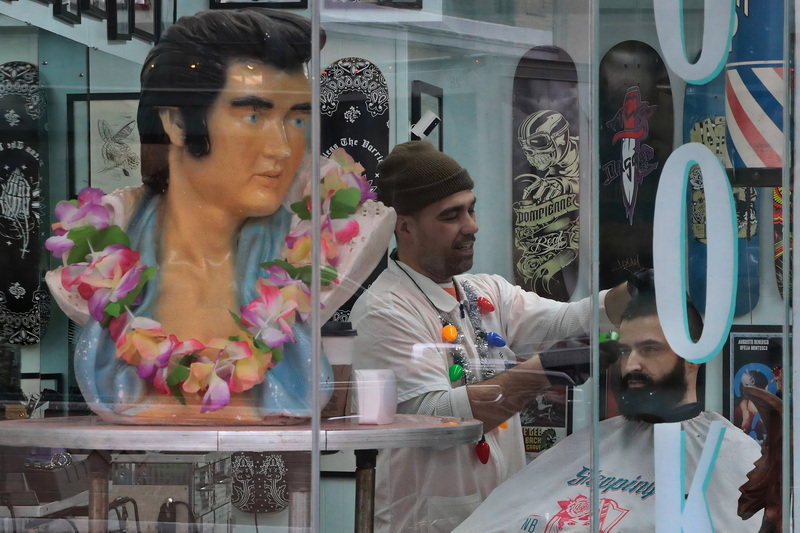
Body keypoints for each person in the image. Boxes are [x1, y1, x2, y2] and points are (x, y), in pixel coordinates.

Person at [45, 9, 394, 424]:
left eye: (297, 119)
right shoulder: (96, 256)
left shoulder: (327, 245)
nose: (283, 148)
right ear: (176, 123)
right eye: (253, 116)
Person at [350, 141, 630, 531]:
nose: (472, 226)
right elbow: (435, 416)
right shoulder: (386, 308)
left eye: (471, 208)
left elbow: (565, 321)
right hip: (428, 521)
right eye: (451, 216)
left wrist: (629, 295)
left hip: (499, 516)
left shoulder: (485, 291)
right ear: (406, 226)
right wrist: (543, 371)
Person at [453, 285, 763, 532]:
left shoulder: (739, 458)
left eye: (650, 349)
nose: (630, 365)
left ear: (693, 356)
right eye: (625, 350)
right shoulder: (589, 445)